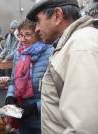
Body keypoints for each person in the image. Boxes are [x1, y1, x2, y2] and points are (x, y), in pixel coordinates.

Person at [27, 0, 98, 133]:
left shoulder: (81, 46)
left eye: (38, 21)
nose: (36, 29)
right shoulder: (73, 44)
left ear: (57, 15)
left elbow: (85, 128)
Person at [5, 19, 53, 134]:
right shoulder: (19, 53)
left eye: (27, 35)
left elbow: (57, 92)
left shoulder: (51, 53)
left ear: (38, 34)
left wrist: (35, 108)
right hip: (22, 115)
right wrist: (10, 96)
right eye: (20, 35)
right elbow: (13, 81)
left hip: (44, 118)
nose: (22, 39)